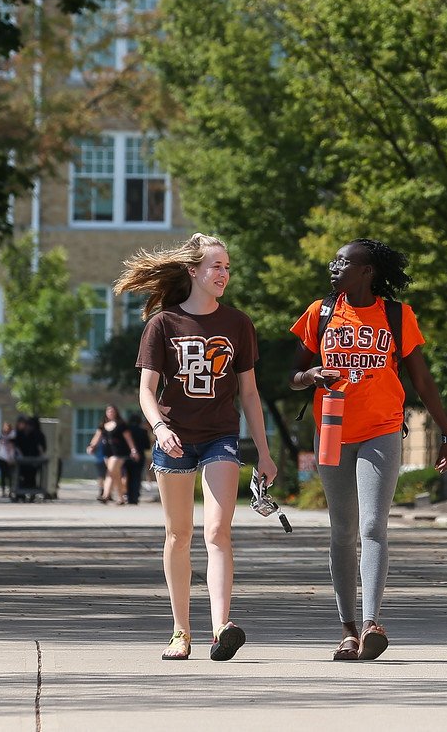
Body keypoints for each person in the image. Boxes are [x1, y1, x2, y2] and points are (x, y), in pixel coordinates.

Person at [114, 232, 277, 662]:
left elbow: (250, 395)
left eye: (227, 266)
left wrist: (264, 451)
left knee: (218, 531)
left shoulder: (238, 323)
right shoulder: (163, 324)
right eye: (216, 266)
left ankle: (222, 627)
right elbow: (146, 390)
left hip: (221, 437)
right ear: (193, 271)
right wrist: (158, 427)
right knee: (178, 534)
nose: (224, 273)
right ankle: (180, 631)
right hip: (174, 438)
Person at [289, 238, 447, 662]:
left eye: (343, 262)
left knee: (373, 526)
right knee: (342, 531)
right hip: (331, 430)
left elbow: (422, 379)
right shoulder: (320, 312)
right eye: (334, 261)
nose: (333, 266)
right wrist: (312, 375)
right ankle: (346, 628)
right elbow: (292, 374)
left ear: (367, 271)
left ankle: (371, 623)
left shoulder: (397, 316)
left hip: (381, 429)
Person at [86, 405, 137, 504]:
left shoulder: (121, 425)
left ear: (116, 412)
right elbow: (97, 437)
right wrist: (91, 446)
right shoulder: (103, 425)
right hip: (107, 452)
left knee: (110, 471)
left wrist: (133, 450)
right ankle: (121, 498)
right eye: (108, 411)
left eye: (112, 411)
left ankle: (106, 495)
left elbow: (128, 438)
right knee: (115, 474)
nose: (110, 413)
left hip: (119, 452)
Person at [124, 412, 150, 506]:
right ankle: (135, 497)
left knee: (128, 476)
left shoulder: (127, 430)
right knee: (137, 477)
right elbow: (147, 446)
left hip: (127, 455)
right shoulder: (143, 431)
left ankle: (129, 496)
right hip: (140, 455)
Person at [0, 421, 17, 497]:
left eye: (8, 428)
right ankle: (3, 490)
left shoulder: (13, 436)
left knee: (10, 475)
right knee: (3, 475)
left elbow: (15, 447)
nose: (7, 429)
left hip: (11, 459)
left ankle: (11, 490)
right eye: (5, 428)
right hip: (1, 458)